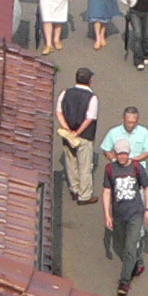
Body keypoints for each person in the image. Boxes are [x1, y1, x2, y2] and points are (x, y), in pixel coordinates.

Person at [100, 107, 148, 295]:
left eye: (125, 153)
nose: (123, 156)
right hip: (119, 212)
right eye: (120, 153)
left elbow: (147, 186)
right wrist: (107, 214)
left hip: (135, 210)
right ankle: (138, 262)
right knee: (124, 243)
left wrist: (147, 209)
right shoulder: (110, 169)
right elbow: (107, 192)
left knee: (130, 245)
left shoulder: (137, 167)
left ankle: (124, 282)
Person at [56, 67, 98, 204]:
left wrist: (67, 129)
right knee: (84, 166)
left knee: (70, 162)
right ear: (90, 81)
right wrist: (78, 132)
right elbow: (89, 118)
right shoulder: (92, 98)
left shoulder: (65, 93)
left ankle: (74, 189)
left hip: (68, 135)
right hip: (84, 136)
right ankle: (84, 195)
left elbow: (59, 112)